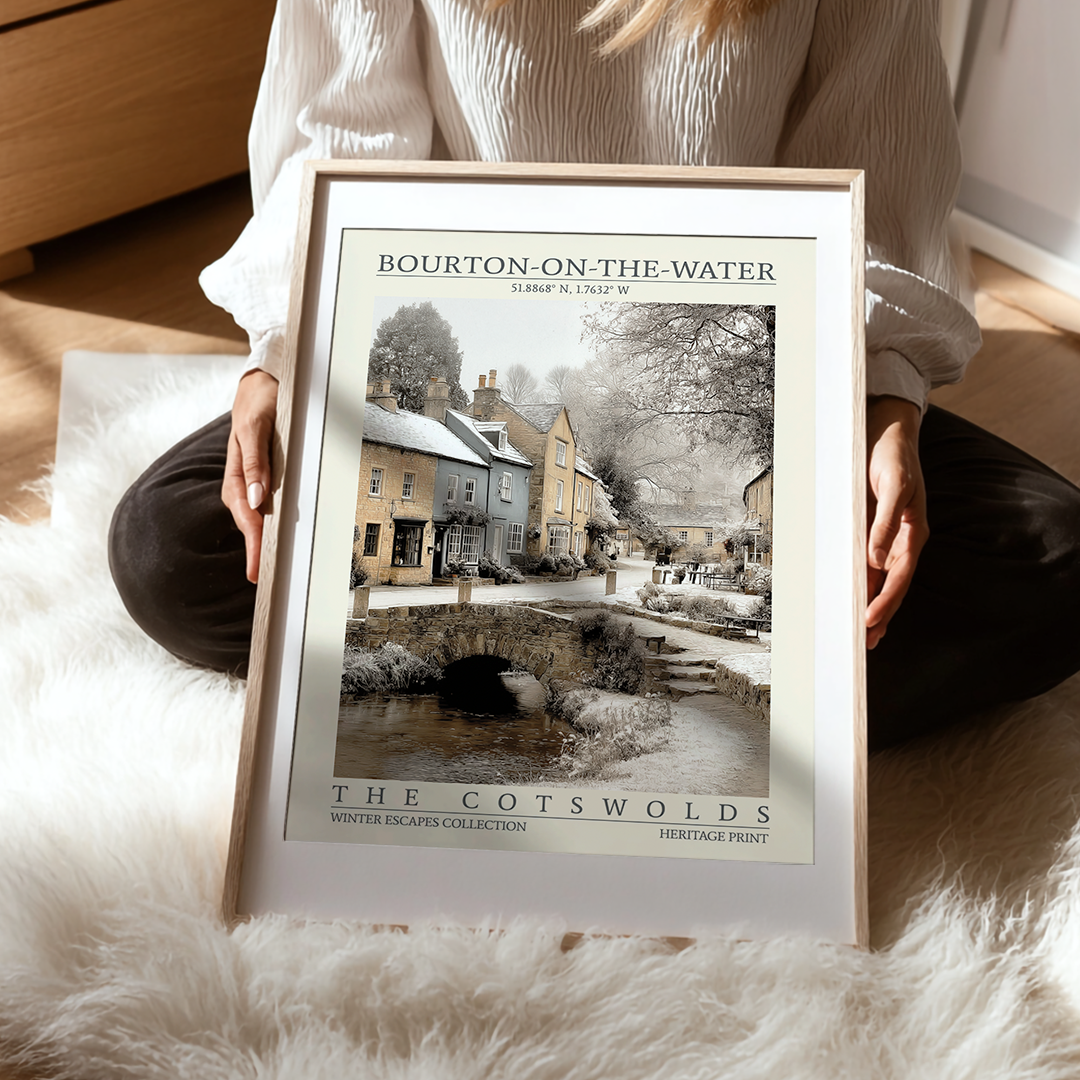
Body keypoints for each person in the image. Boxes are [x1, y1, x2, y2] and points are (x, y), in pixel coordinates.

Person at [108, 0, 1080, 748]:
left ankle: (532, 684)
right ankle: (717, 691)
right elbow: (340, 143)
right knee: (176, 546)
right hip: (482, 327)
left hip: (762, 374)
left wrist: (879, 400)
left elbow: (875, 171)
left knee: (1055, 560)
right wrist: (284, 355)